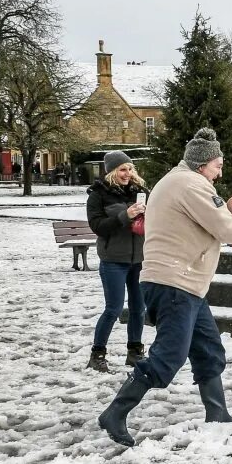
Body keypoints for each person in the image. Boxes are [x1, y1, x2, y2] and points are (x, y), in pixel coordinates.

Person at [97, 128, 232, 447]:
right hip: (175, 282)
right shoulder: (191, 183)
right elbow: (222, 227)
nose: (220, 172)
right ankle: (115, 413)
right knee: (169, 356)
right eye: (218, 166)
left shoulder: (181, 182)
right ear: (202, 164)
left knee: (208, 349)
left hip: (184, 282)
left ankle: (218, 413)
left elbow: (205, 221)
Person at [85, 151, 148, 372]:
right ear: (112, 171)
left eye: (130, 169)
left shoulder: (139, 191)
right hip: (113, 260)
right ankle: (97, 353)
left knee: (139, 308)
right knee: (113, 308)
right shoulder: (98, 195)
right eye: (122, 169)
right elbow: (98, 227)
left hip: (138, 259)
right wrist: (125, 216)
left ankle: (135, 352)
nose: (127, 173)